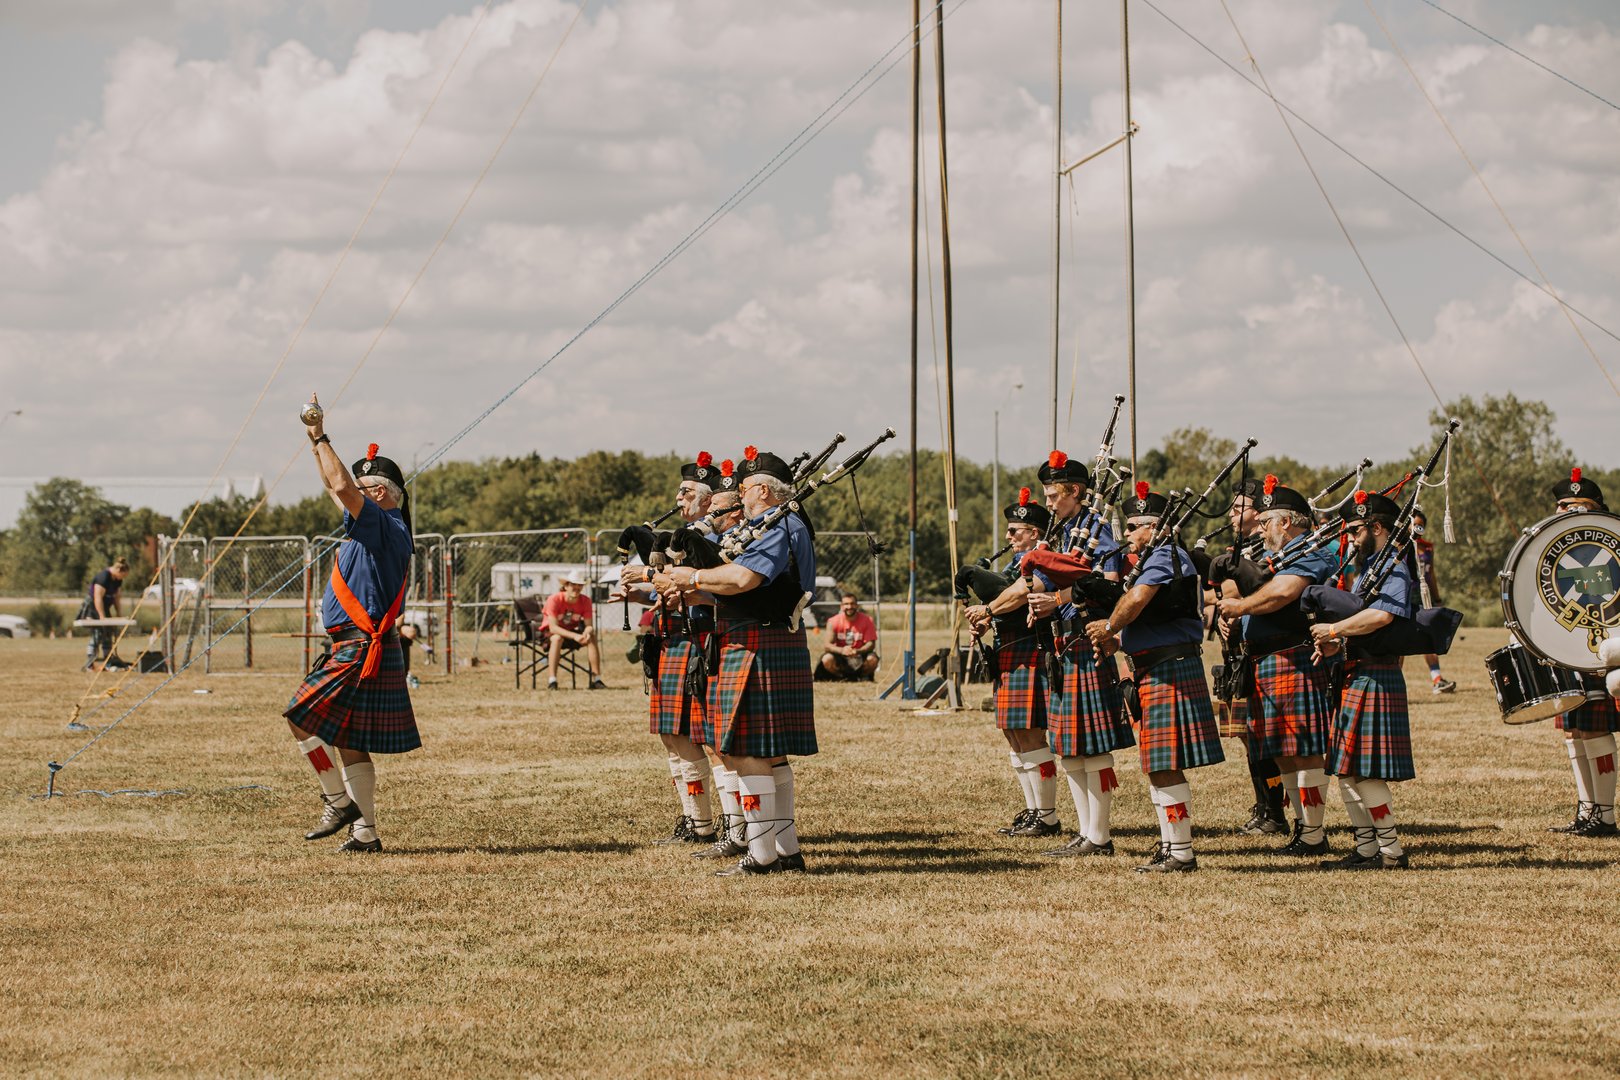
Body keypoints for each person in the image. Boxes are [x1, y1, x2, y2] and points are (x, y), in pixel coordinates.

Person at [659, 445, 815, 876]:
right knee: (770, 754)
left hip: (756, 641)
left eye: (744, 488)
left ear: (763, 490)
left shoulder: (778, 525)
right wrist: (699, 590)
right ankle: (785, 849)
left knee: (746, 750)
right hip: (760, 637)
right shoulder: (777, 524)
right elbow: (744, 587)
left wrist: (692, 576)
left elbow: (745, 578)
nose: (740, 497)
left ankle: (763, 856)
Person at [283, 393, 419, 854]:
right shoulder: (373, 526)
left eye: (364, 488)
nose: (352, 496)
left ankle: (338, 801)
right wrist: (314, 443)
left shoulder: (385, 525)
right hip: (356, 645)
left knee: (299, 716)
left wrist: (323, 435)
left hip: (361, 646)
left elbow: (341, 486)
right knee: (348, 738)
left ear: (380, 493)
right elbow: (335, 485)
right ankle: (365, 833)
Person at [1087, 484, 1225, 873]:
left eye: (1134, 526)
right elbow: (1153, 616)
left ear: (1155, 527)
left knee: (1164, 762)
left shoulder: (1165, 555)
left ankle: (1180, 851)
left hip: (1169, 669)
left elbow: (1136, 599)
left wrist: (1108, 627)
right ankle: (1172, 845)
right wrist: (1120, 641)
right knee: (1158, 762)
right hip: (1158, 666)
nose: (1127, 533)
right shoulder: (1158, 556)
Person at [1216, 476, 1340, 857]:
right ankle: (1303, 827)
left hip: (1295, 658)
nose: (1260, 527)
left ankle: (1313, 834)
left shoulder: (1311, 552)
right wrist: (1234, 616)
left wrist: (1242, 607)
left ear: (1285, 522)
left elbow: (1284, 592)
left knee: (1304, 749)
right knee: (1283, 751)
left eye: (1266, 520)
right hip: (1266, 660)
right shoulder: (1277, 556)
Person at [1019, 451, 1133, 854]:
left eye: (1054, 496)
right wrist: (1040, 599)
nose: (1048, 503)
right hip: (1063, 643)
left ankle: (1099, 836)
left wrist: (1057, 598)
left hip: (1087, 641)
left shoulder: (1098, 531)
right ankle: (1085, 831)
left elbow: (1107, 584)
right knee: (1068, 744)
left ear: (1076, 492)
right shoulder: (1066, 532)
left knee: (1093, 745)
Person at [616, 452, 723, 846]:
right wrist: (643, 592)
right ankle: (697, 822)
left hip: (700, 638)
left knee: (704, 738)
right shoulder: (679, 538)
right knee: (672, 735)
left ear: (709, 500)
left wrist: (650, 578)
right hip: (671, 638)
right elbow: (671, 585)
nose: (679, 498)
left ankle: (729, 825)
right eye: (679, 492)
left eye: (687, 492)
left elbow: (711, 587)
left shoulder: (715, 539)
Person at [1309, 490, 1416, 869]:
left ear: (1378, 528)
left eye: (1356, 530)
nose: (1352, 538)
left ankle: (1391, 852)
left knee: (1366, 772)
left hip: (1376, 675)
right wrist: (1336, 644)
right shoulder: (1371, 568)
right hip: (1356, 671)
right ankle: (1367, 848)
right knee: (1346, 769)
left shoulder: (1395, 567)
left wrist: (1334, 629)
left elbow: (1383, 616)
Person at [963, 488, 1054, 836]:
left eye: (1015, 531)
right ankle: (1033, 810)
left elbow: (1017, 597)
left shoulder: (1041, 558)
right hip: (1009, 650)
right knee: (1013, 733)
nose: (1008, 536)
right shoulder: (1013, 563)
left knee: (1030, 734)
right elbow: (1006, 604)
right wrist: (987, 622)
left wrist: (988, 610)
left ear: (1034, 532)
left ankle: (1047, 815)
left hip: (1029, 650)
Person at [1208, 477, 1287, 835]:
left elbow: (1257, 591)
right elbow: (1223, 591)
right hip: (1236, 652)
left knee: (1262, 732)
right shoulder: (1236, 548)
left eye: (1240, 507)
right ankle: (1264, 805)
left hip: (1259, 648)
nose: (1232, 513)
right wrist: (1223, 611)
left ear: (1259, 513)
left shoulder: (1270, 551)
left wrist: (1232, 605)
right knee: (1246, 732)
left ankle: (1275, 810)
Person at [1545, 468, 1618, 837]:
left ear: (1596, 508)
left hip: (1601, 645)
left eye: (1575, 505)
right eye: (1561, 505)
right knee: (1574, 731)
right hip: (1566, 646)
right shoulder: (1549, 548)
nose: (1564, 511)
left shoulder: (1610, 544)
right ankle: (1587, 809)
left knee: (1594, 728)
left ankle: (1605, 815)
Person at [1410, 508, 1455, 693]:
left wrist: (1436, 598)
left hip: (1424, 595)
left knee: (1428, 635)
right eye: (1414, 524)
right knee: (1398, 638)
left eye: (1420, 525)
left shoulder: (1427, 547)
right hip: (1406, 594)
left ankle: (1437, 679)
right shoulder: (1400, 546)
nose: (1416, 528)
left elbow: (1431, 573)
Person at [543, 573, 606, 690]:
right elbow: (553, 628)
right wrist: (575, 636)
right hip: (551, 634)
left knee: (591, 637)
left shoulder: (585, 601)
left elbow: (589, 626)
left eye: (580, 585)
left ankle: (596, 679)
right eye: (573, 584)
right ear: (566, 586)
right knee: (557, 638)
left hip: (572, 632)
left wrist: (587, 632)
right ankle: (552, 680)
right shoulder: (554, 599)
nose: (577, 588)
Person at [80, 557, 130, 670]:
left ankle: (108, 660)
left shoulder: (117, 580)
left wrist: (119, 613)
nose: (123, 578)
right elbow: (97, 598)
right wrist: (101, 616)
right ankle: (90, 662)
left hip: (104, 607)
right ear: (119, 571)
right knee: (97, 633)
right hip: (93, 607)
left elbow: (116, 597)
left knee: (108, 632)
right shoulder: (103, 577)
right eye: (123, 575)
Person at [819, 593, 879, 681]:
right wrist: (842, 650)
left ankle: (862, 677)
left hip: (860, 654)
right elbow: (827, 645)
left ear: (857, 605)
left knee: (872, 659)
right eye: (846, 604)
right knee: (827, 659)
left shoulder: (867, 620)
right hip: (840, 656)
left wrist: (857, 651)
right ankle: (841, 678)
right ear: (841, 606)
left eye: (852, 603)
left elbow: (871, 644)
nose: (849, 606)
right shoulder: (833, 621)